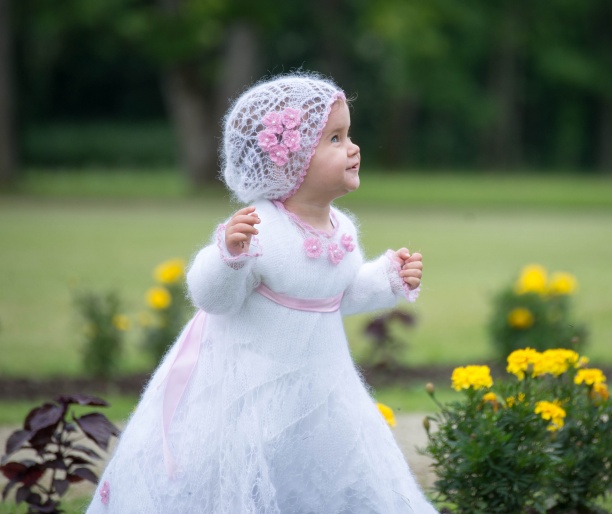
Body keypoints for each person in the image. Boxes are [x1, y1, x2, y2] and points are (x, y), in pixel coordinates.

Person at [86, 72, 436, 513]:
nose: (353, 147)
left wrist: (387, 279)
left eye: (349, 135)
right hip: (249, 390)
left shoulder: (341, 228)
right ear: (290, 159)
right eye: (334, 138)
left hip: (321, 388)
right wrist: (228, 256)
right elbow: (213, 299)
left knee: (320, 468)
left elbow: (338, 296)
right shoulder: (259, 228)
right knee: (242, 474)